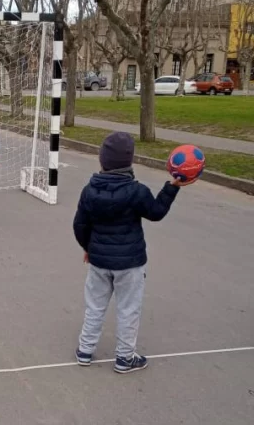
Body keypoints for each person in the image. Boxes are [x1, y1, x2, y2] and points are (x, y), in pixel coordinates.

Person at [73, 132, 188, 373]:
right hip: (130, 263)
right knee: (128, 309)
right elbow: (156, 212)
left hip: (99, 261)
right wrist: (172, 188)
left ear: (101, 160)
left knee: (95, 305)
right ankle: (125, 357)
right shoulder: (137, 191)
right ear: (129, 162)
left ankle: (85, 350)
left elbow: (80, 225)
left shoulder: (89, 191)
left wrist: (87, 248)